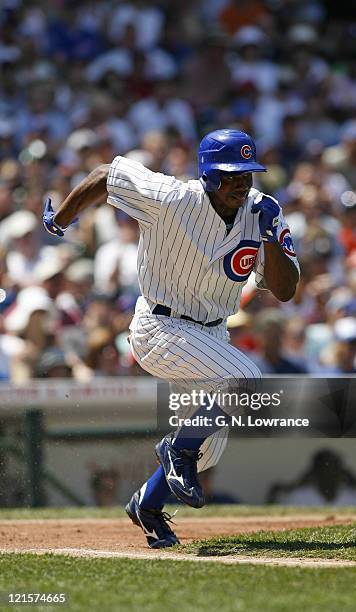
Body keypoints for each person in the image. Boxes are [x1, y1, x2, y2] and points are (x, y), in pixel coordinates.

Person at [43, 128, 300, 548]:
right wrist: (61, 218)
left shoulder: (263, 211)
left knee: (206, 451)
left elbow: (285, 290)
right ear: (207, 172)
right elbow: (107, 174)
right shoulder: (171, 196)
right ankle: (176, 451)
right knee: (247, 382)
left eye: (247, 173)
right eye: (231, 173)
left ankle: (147, 503)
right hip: (159, 326)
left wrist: (271, 239)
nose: (241, 181)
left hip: (212, 336)